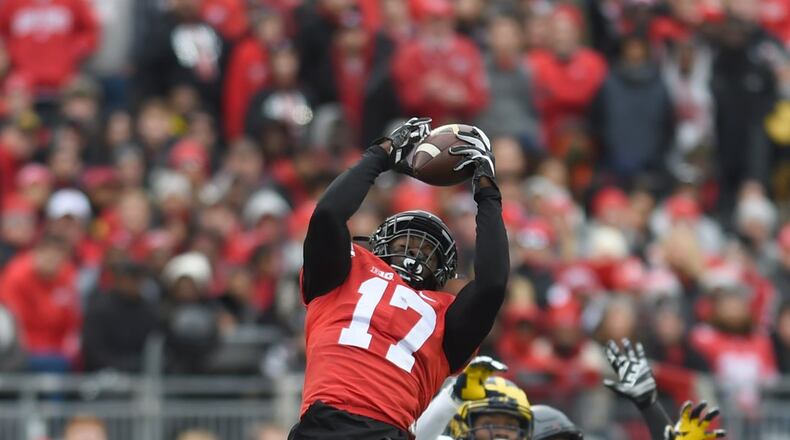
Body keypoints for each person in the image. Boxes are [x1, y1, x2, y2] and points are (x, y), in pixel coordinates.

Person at [291, 117, 507, 438]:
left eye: (428, 251)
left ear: (443, 272)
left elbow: (492, 285)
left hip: (386, 429)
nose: (415, 254)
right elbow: (327, 215)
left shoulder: (445, 314)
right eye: (406, 242)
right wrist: (381, 154)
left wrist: (487, 193)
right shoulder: (346, 271)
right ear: (379, 244)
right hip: (324, 419)